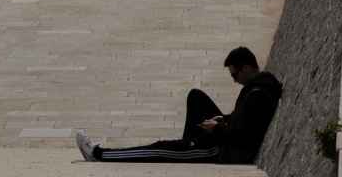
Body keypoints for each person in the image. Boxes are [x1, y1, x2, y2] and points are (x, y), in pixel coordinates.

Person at [75, 47, 282, 164]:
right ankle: (191, 141)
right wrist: (222, 120)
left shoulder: (257, 95)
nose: (234, 80)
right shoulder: (259, 86)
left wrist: (217, 128)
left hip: (221, 150)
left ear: (246, 68)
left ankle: (99, 154)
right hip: (225, 137)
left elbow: (242, 136)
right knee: (196, 97)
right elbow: (241, 120)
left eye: (235, 74)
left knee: (160, 149)